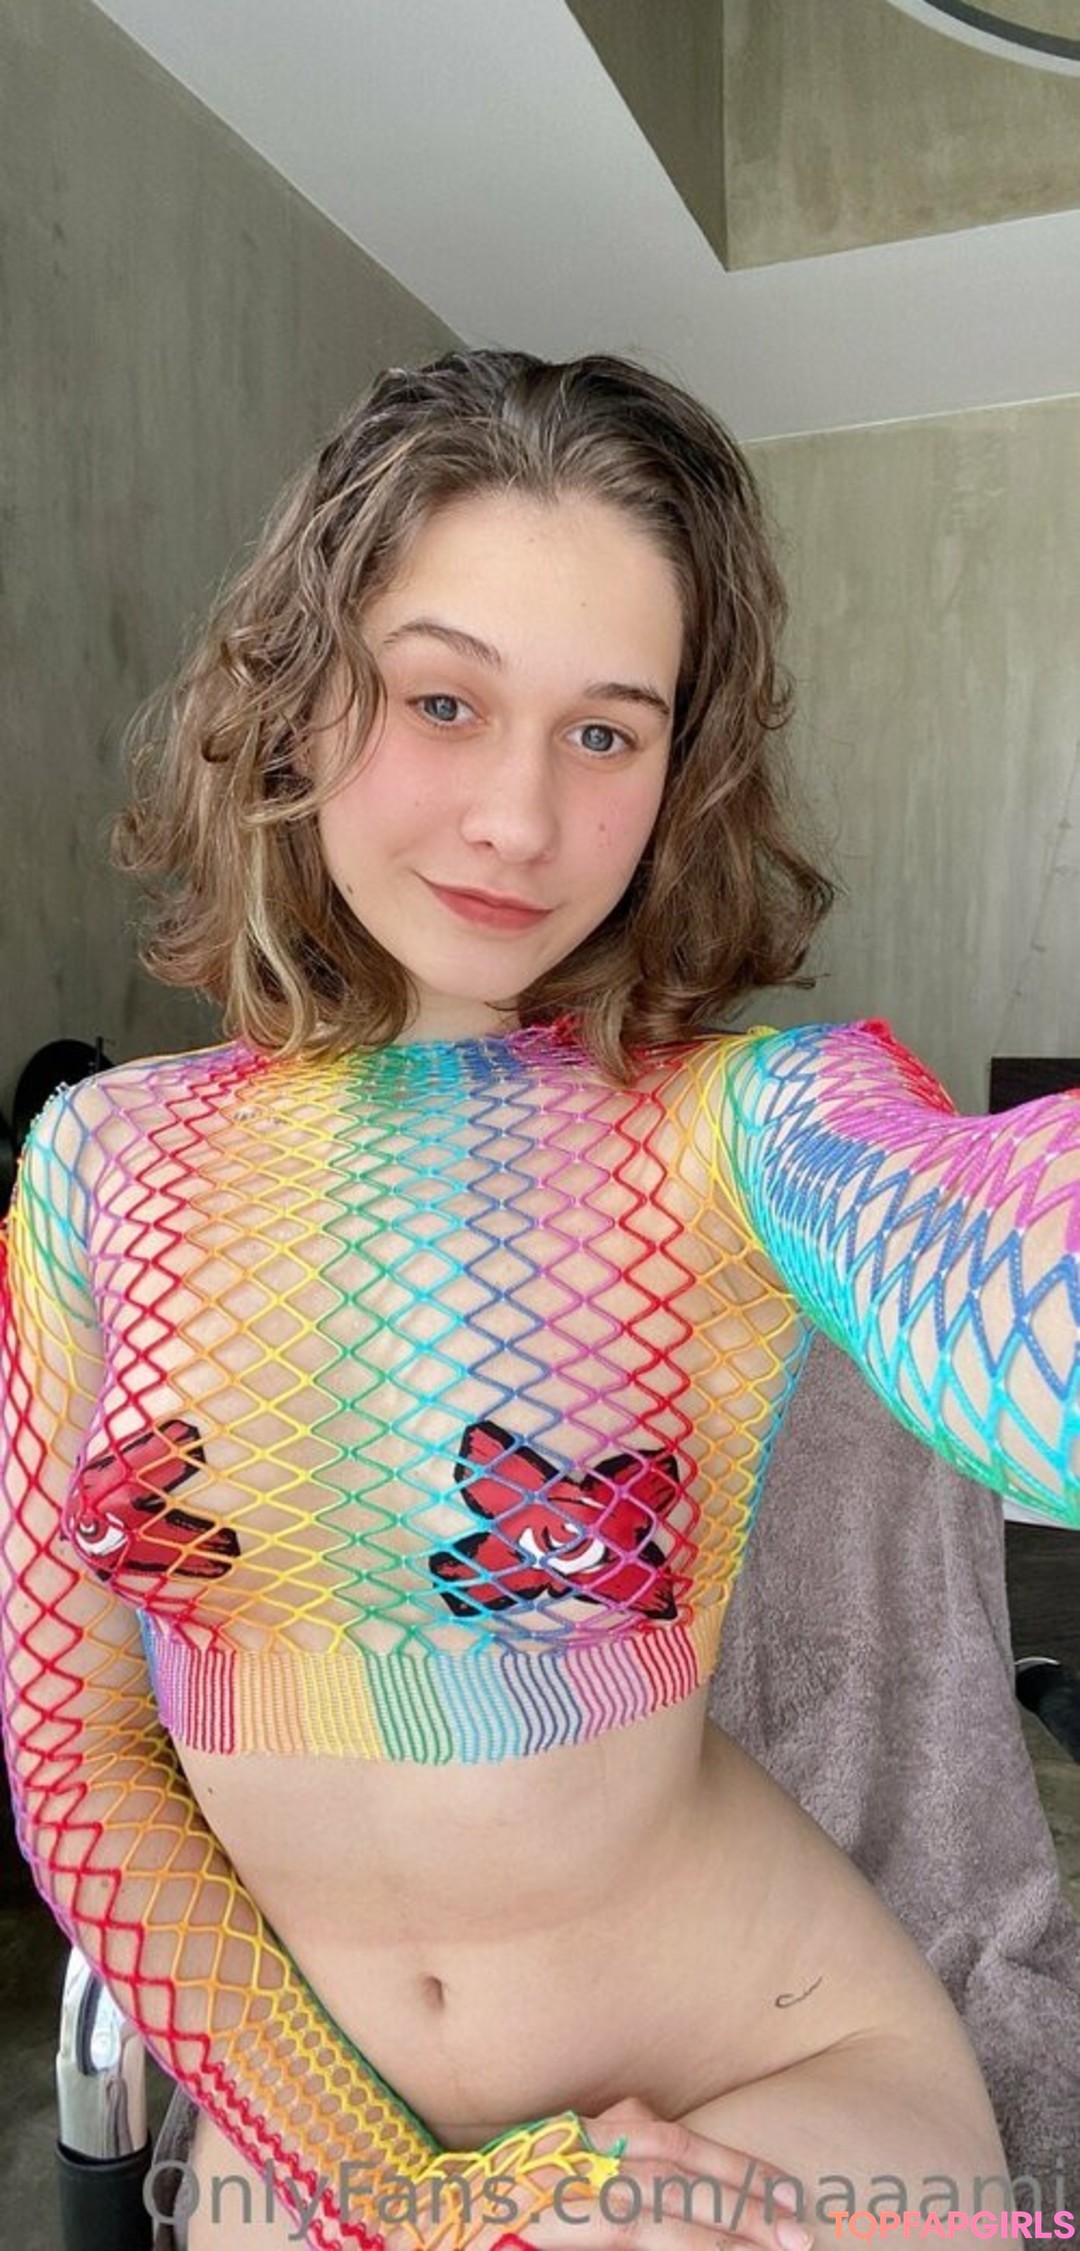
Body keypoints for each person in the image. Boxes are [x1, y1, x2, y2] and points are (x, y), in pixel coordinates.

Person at [1, 349, 1077, 2251]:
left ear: (681, 770)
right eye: (444, 699)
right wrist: (404, 2201)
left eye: (606, 732)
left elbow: (1000, 1269)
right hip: (320, 2129)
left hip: (771, 2077)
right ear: (302, 694)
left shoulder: (743, 1122)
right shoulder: (95, 1161)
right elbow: (80, 1764)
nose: (517, 816)